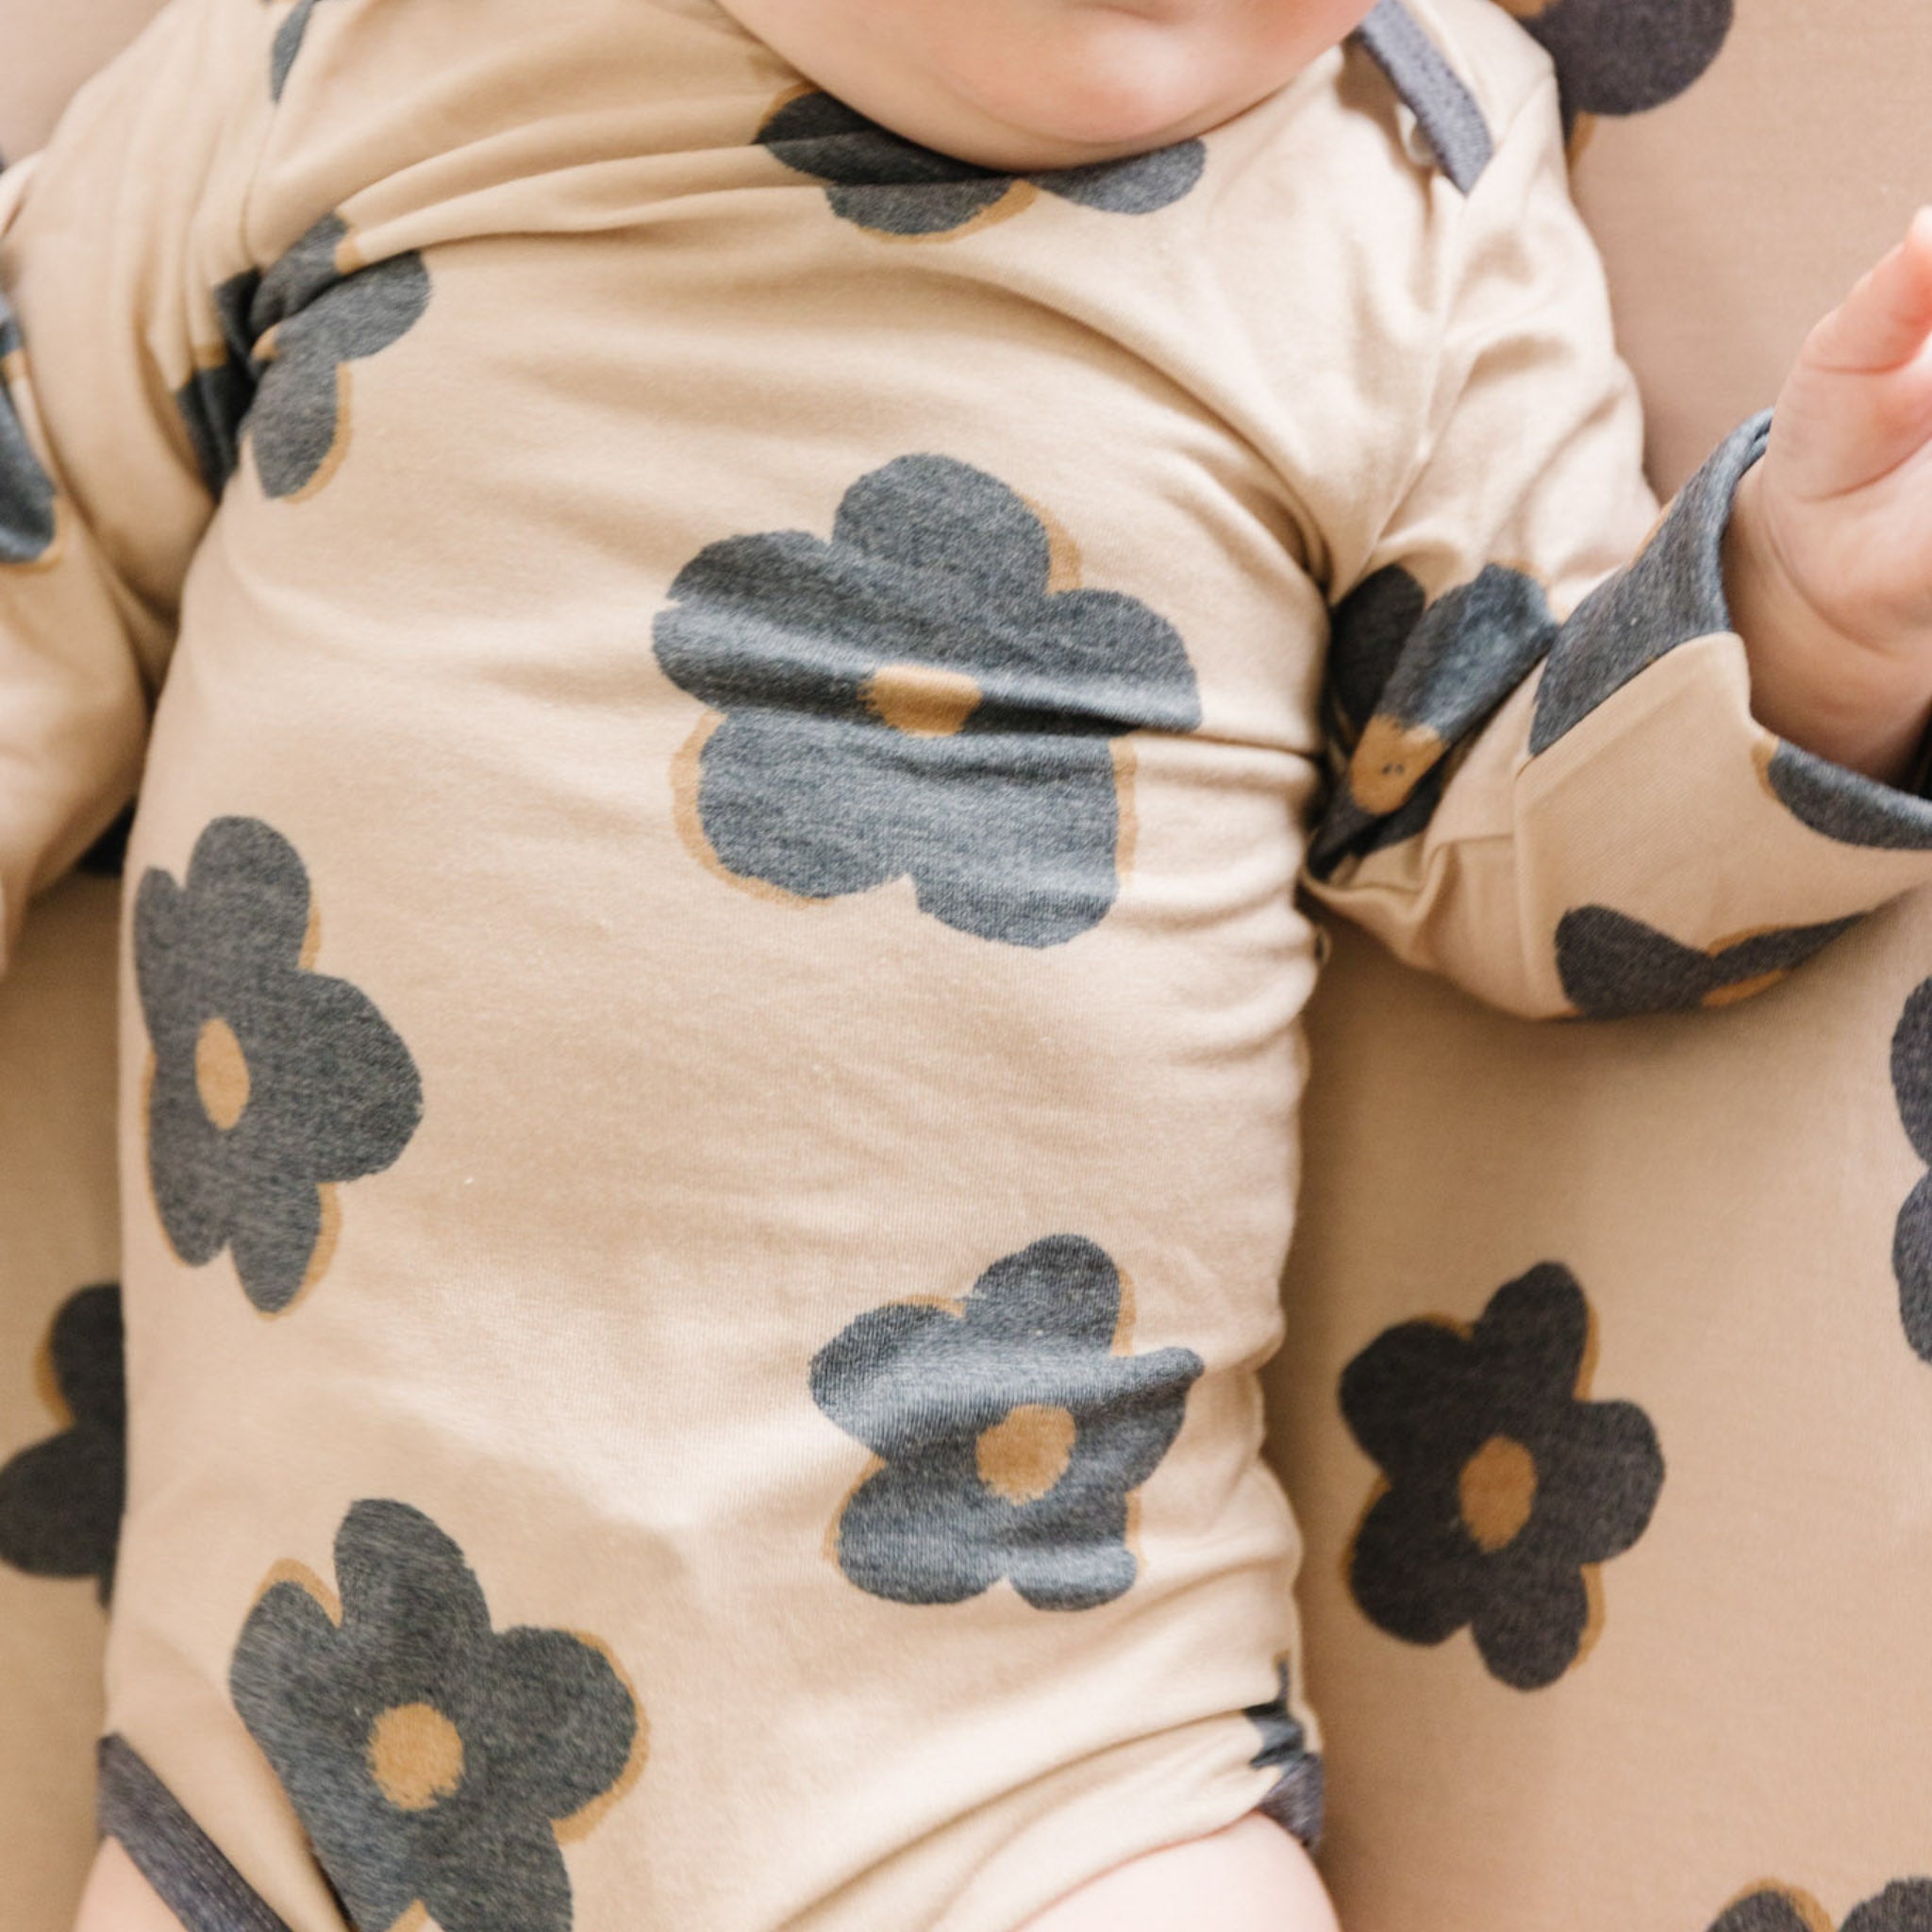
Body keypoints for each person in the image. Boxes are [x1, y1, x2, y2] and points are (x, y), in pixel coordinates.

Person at [15, 0, 1932, 1926]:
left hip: (1027, 1795)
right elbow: (39, 521)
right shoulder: (359, 46)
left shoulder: (1399, 163)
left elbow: (1510, 821)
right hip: (293, 1785)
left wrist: (1797, 624)